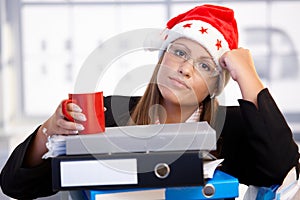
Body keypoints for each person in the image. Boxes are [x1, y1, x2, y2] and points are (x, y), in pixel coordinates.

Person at [1, 4, 299, 199]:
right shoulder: (109, 114)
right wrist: (49, 131)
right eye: (179, 53)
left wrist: (248, 76)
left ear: (213, 87)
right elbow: (16, 186)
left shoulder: (233, 129)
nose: (185, 68)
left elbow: (281, 167)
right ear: (161, 59)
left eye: (205, 66)